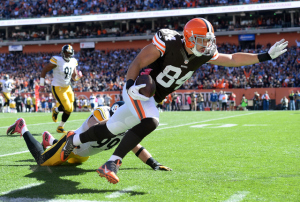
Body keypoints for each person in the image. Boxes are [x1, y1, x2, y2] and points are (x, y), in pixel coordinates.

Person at [60, 18, 288, 184]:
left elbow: (231, 58)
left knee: (112, 127)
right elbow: (138, 62)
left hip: (153, 96)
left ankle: (75, 139)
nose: (206, 45)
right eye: (201, 40)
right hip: (140, 89)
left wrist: (264, 56)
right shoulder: (168, 42)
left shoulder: (203, 54)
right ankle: (111, 163)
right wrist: (129, 85)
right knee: (151, 120)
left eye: (208, 40)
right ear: (189, 39)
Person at [7, 101, 171, 171]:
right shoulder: (103, 112)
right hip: (70, 144)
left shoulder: (124, 127)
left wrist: (154, 164)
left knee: (70, 164)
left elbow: (137, 147)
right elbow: (94, 130)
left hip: (82, 156)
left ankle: (49, 140)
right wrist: (118, 127)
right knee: (42, 162)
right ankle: (23, 127)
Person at [39, 44, 83, 133]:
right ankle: (56, 110)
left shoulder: (73, 61)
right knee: (68, 108)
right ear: (62, 53)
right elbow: (44, 70)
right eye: (66, 53)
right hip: (58, 87)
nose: (67, 55)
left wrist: (79, 77)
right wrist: (42, 84)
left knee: (71, 107)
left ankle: (60, 126)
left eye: (69, 53)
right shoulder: (57, 60)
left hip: (68, 87)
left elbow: (74, 78)